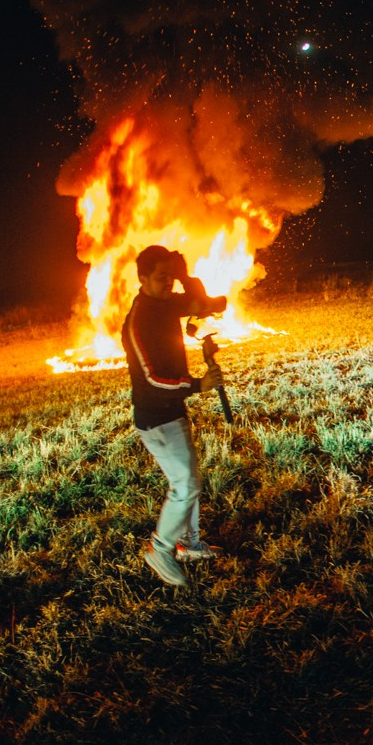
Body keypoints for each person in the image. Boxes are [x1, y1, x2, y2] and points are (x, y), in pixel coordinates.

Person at [123, 245, 228, 587]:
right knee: (185, 485)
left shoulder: (166, 302)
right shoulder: (138, 321)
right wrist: (198, 384)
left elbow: (203, 304)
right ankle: (160, 550)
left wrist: (185, 275)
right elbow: (151, 380)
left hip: (173, 410)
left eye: (170, 276)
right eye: (161, 277)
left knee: (188, 479)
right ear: (142, 279)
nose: (168, 283)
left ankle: (189, 545)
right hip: (156, 417)